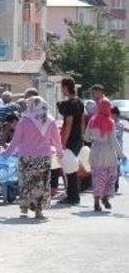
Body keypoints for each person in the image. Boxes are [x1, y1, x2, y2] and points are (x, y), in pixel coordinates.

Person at [5, 97, 63, 219]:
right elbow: (56, 140)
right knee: (41, 183)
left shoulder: (24, 121)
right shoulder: (50, 121)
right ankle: (39, 210)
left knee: (27, 182)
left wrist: (6, 153)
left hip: (26, 157)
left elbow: (15, 140)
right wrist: (59, 153)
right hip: (44, 156)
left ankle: (26, 206)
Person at [85, 99, 120, 212]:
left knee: (97, 177)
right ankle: (105, 197)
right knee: (111, 176)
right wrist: (121, 154)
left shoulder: (92, 120)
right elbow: (113, 140)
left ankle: (96, 202)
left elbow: (86, 138)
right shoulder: (110, 122)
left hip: (95, 151)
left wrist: (94, 140)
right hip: (108, 153)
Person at [56, 77, 83, 205]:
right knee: (72, 168)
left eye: (62, 87)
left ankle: (72, 197)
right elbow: (82, 121)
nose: (61, 90)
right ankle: (73, 195)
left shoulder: (70, 104)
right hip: (78, 138)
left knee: (69, 169)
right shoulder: (79, 102)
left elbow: (68, 124)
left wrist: (64, 142)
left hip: (70, 139)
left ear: (66, 87)